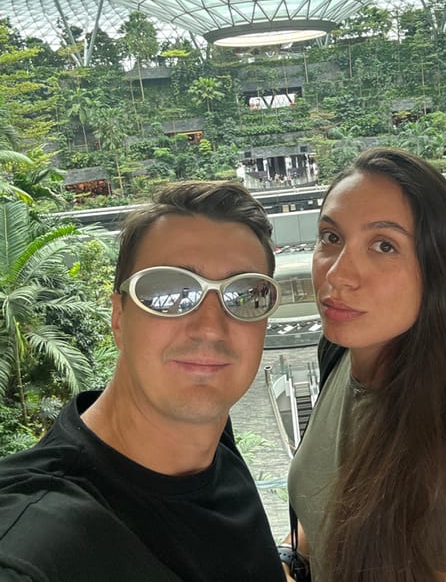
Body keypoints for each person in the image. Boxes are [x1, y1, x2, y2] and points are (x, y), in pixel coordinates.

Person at [0, 181, 286, 582]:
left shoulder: (211, 438)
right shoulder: (39, 536)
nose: (210, 328)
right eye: (168, 291)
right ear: (119, 319)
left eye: (245, 294)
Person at [284, 148, 446, 582]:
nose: (337, 274)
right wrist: (291, 557)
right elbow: (325, 500)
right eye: (331, 237)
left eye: (384, 246)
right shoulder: (340, 357)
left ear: (436, 271)